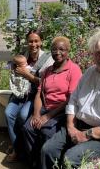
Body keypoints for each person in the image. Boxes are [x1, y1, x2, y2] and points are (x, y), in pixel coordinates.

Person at [41, 28, 100, 169]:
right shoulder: (90, 72)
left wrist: (86, 135)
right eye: (98, 52)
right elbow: (73, 101)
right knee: (48, 150)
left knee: (71, 158)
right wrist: (70, 126)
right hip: (77, 125)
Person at [22, 36, 82, 168]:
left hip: (62, 111)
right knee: (28, 128)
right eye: (54, 49)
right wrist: (37, 114)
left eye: (62, 49)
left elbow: (71, 99)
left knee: (47, 132)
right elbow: (39, 93)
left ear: (68, 51)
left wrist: (47, 117)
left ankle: (50, 164)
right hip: (45, 108)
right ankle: (34, 162)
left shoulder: (74, 70)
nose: (58, 52)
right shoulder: (47, 70)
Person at [4, 29, 54, 162]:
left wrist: (28, 75)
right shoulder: (23, 56)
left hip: (35, 95)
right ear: (27, 42)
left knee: (23, 115)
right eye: (30, 41)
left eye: (36, 41)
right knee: (9, 113)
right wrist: (13, 69)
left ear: (41, 42)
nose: (33, 44)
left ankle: (20, 148)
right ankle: (17, 148)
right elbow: (11, 69)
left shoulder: (47, 59)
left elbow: (45, 83)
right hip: (20, 93)